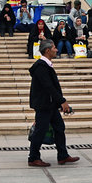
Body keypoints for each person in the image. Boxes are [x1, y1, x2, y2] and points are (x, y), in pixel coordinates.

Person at [27, 39, 79, 167]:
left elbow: (53, 87)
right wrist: (62, 102)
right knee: (40, 131)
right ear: (47, 50)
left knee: (59, 128)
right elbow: (48, 87)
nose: (57, 50)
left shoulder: (47, 65)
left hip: (50, 105)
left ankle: (63, 155)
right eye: (54, 48)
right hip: (44, 105)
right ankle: (33, 157)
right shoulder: (40, 67)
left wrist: (58, 103)